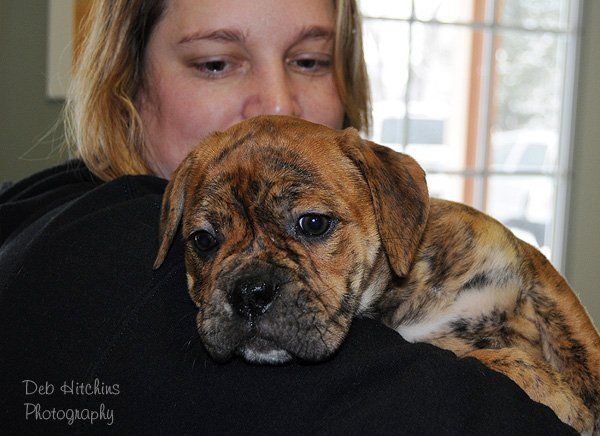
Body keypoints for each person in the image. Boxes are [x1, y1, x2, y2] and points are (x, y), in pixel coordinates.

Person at [0, 0, 575, 433]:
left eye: (310, 61)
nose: (277, 102)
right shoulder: (100, 259)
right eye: (215, 63)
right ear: (125, 83)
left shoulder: (39, 205)